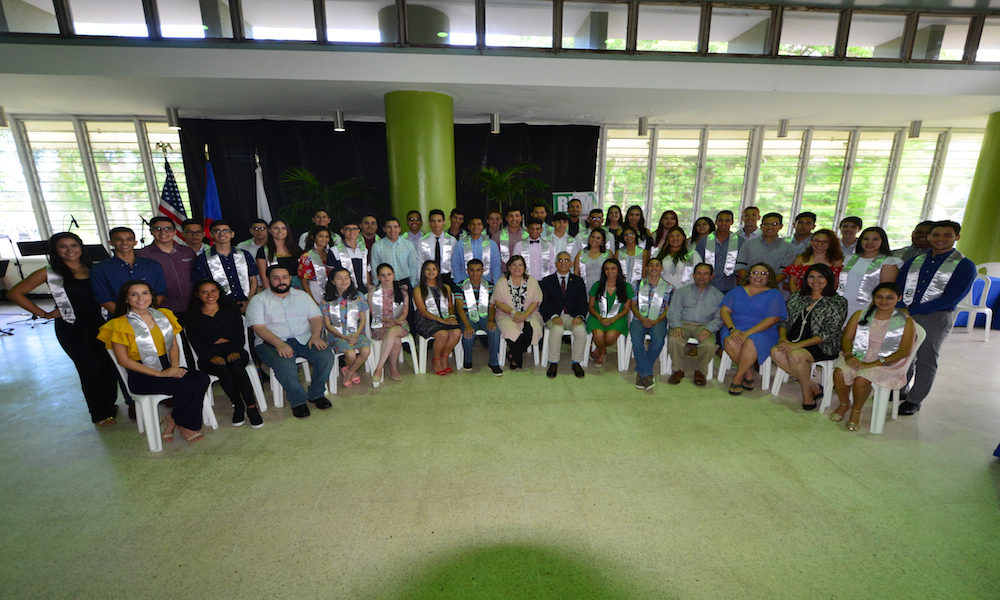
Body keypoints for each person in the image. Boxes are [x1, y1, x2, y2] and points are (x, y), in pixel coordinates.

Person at [7, 232, 119, 425]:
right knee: (89, 368)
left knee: (107, 365)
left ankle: (109, 403)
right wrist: (45, 314)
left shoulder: (94, 269)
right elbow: (15, 293)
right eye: (63, 247)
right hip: (72, 327)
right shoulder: (49, 272)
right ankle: (101, 413)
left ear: (81, 247)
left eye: (73, 245)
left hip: (100, 323)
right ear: (55, 251)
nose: (69, 250)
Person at [98, 280, 211, 442]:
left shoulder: (164, 315)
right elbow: (123, 360)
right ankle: (186, 425)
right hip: (143, 374)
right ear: (126, 299)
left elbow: (173, 344)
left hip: (167, 366)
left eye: (145, 293)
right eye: (133, 294)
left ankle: (173, 418)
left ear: (152, 296)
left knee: (201, 379)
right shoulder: (119, 324)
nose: (140, 298)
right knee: (187, 386)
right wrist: (159, 374)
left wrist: (173, 366)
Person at [895, 220, 976, 415]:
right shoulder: (915, 260)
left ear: (957, 237)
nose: (941, 239)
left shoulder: (964, 265)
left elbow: (951, 298)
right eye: (936, 235)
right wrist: (898, 307)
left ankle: (915, 400)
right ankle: (899, 388)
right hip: (905, 314)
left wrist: (911, 311)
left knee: (926, 358)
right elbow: (897, 286)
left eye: (947, 235)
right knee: (903, 354)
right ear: (929, 237)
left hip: (935, 316)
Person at [246, 266, 335, 418]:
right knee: (285, 363)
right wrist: (278, 343)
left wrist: (315, 335)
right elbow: (258, 327)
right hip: (271, 343)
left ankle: (316, 393)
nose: (281, 281)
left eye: (285, 277)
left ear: (290, 278)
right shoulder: (258, 300)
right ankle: (298, 400)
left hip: (304, 338)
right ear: (267, 280)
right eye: (276, 278)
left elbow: (315, 318)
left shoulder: (302, 296)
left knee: (325, 356)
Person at [831, 283, 917, 431]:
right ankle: (844, 403)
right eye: (879, 297)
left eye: (890, 297)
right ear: (873, 298)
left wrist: (874, 364)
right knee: (840, 372)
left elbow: (904, 352)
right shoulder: (861, 315)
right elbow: (846, 339)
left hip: (889, 360)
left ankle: (857, 410)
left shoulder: (906, 321)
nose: (884, 301)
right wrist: (849, 355)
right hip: (859, 353)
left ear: (899, 298)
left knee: (862, 377)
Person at [184, 279, 263, 428]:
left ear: (219, 292)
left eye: (213, 291)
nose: (210, 295)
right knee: (224, 371)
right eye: (204, 292)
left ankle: (252, 407)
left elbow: (240, 334)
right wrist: (210, 356)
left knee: (237, 367)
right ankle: (238, 405)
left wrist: (235, 350)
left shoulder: (231, 309)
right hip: (209, 355)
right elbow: (194, 341)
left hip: (234, 349)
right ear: (197, 294)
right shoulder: (192, 315)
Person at [770, 264, 848, 410]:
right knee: (775, 352)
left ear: (829, 279)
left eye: (821, 277)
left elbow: (829, 332)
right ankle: (812, 386)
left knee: (795, 355)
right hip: (794, 340)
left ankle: (807, 393)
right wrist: (782, 338)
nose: (815, 280)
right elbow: (784, 321)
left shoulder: (838, 302)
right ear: (806, 279)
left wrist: (796, 345)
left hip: (822, 344)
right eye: (811, 276)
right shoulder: (797, 297)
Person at [720, 263, 787, 396]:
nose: (758, 276)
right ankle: (748, 372)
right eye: (755, 273)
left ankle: (738, 377)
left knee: (751, 342)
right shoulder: (736, 291)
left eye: (763, 274)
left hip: (764, 331)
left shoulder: (774, 294)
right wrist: (732, 329)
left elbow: (773, 319)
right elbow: (725, 311)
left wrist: (747, 333)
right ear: (749, 275)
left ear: (769, 277)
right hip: (736, 327)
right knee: (731, 340)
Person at [666, 263, 724, 386]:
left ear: (711, 276)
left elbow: (720, 318)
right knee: (674, 339)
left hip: (704, 326)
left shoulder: (719, 296)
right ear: (693, 275)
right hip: (683, 323)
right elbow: (673, 312)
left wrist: (709, 329)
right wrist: (676, 326)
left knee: (709, 345)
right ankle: (678, 370)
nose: (702, 277)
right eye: (699, 273)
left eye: (706, 274)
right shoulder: (682, 292)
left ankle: (701, 372)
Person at [90, 226, 167, 314]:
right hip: (120, 319)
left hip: (151, 316)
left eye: (129, 239)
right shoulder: (99, 269)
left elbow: (161, 291)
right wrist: (126, 318)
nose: (124, 242)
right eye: (119, 239)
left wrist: (148, 313)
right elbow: (103, 298)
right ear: (111, 242)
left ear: (135, 242)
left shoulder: (153, 265)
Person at [539, 251, 588, 379]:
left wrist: (579, 316)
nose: (563, 263)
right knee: (557, 330)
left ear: (571, 264)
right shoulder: (547, 281)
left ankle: (576, 362)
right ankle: (553, 362)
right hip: (553, 316)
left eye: (566, 260)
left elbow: (583, 302)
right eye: (560, 260)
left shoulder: (578, 281)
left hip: (572, 316)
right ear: (555, 264)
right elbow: (544, 303)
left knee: (581, 331)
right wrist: (554, 316)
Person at [192, 220, 258, 312]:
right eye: (217, 231)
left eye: (226, 231)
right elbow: (202, 286)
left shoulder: (245, 255)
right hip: (218, 307)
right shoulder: (202, 259)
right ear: (211, 234)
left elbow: (253, 280)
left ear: (232, 234)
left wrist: (249, 301)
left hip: (246, 304)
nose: (222, 234)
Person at [322, 267, 372, 389]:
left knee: (366, 351)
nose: (343, 281)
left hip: (357, 332)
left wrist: (356, 335)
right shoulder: (327, 300)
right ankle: (352, 371)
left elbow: (363, 319)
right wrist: (344, 336)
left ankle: (348, 372)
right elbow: (327, 324)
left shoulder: (358, 296)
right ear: (333, 281)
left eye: (346, 277)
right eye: (339, 278)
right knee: (351, 354)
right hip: (337, 335)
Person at [136, 216, 196, 318]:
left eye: (168, 229)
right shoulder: (143, 255)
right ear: (151, 231)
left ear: (175, 232)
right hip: (163, 308)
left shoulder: (187, 251)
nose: (163, 233)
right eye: (158, 229)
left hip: (193, 306)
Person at [837, 226, 902, 320]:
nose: (870, 243)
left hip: (866, 307)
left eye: (875, 239)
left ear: (882, 241)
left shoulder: (888, 262)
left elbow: (884, 291)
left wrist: (869, 312)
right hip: (841, 304)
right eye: (866, 239)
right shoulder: (850, 258)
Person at [413, 260, 462, 375]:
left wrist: (451, 316)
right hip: (425, 319)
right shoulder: (418, 289)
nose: (431, 272)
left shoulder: (446, 288)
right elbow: (423, 310)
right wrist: (441, 320)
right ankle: (436, 360)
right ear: (423, 271)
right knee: (442, 334)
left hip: (443, 316)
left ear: (438, 271)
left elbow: (450, 305)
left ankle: (444, 357)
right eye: (428, 269)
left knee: (457, 332)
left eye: (434, 269)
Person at [629, 257, 672, 390]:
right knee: (636, 339)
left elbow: (668, 309)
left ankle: (641, 371)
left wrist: (656, 321)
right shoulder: (637, 284)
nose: (654, 268)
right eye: (651, 265)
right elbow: (633, 305)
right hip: (639, 319)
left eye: (657, 265)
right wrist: (642, 319)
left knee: (659, 340)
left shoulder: (669, 287)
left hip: (658, 320)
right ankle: (647, 373)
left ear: (661, 269)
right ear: (646, 268)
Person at [493, 255, 543, 369]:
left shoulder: (532, 282)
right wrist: (515, 313)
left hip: (530, 313)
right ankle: (517, 358)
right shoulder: (501, 282)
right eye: (514, 265)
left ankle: (513, 354)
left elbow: (536, 301)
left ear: (524, 268)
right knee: (511, 330)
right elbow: (499, 303)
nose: (517, 267)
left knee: (533, 328)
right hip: (506, 314)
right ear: (509, 267)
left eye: (520, 265)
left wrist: (524, 315)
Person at [454, 259, 503, 375]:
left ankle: (493, 362)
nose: (475, 273)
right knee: (468, 336)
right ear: (467, 271)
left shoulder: (490, 286)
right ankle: (467, 359)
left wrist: (491, 320)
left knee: (495, 332)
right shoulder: (460, 286)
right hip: (467, 316)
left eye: (478, 270)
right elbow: (459, 307)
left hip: (484, 315)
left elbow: (492, 307)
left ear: (483, 271)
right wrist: (466, 325)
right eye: (472, 270)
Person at [586, 258, 634, 369]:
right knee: (598, 334)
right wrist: (600, 318)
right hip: (597, 317)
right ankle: (602, 352)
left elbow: (626, 309)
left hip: (617, 319)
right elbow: (591, 307)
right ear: (603, 271)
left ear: (618, 270)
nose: (610, 271)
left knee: (610, 336)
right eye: (607, 269)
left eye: (613, 268)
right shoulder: (597, 285)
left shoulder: (626, 287)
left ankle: (599, 349)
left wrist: (612, 319)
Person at [368, 263, 411, 385]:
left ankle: (379, 368)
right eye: (383, 275)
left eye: (389, 274)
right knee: (396, 341)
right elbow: (375, 314)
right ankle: (393, 368)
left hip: (400, 324)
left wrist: (395, 322)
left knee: (393, 331)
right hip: (380, 325)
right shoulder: (374, 293)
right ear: (378, 277)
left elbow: (405, 312)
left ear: (394, 275)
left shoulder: (402, 291)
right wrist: (387, 322)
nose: (386, 278)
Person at [735, 212, 796, 285]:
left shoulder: (787, 248)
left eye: (774, 224)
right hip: (748, 288)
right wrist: (752, 283)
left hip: (772, 289)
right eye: (767, 224)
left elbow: (784, 272)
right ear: (761, 226)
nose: (770, 227)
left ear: (781, 226)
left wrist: (767, 285)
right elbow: (740, 267)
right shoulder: (748, 244)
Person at [783, 229, 844, 294]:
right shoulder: (801, 259)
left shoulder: (836, 261)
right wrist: (796, 298)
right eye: (816, 241)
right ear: (811, 242)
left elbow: (837, 284)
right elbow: (792, 281)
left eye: (825, 242)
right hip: (802, 296)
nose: (820, 244)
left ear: (830, 244)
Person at [695, 210, 742, 293]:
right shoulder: (704, 241)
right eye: (721, 220)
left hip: (730, 286)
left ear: (732, 222)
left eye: (727, 221)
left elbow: (741, 265)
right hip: (707, 285)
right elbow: (697, 263)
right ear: (716, 222)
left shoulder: (740, 242)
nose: (723, 224)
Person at [370, 217, 421, 289]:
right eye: (389, 227)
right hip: (385, 284)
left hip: (405, 283)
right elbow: (374, 267)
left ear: (400, 229)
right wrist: (377, 284)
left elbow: (413, 266)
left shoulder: (408, 245)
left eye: (395, 227)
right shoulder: (377, 246)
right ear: (384, 229)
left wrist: (412, 284)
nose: (392, 230)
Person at [452, 215, 502, 284]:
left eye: (479, 224)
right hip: (465, 283)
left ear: (483, 227)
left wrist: (496, 283)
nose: (476, 227)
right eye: (473, 224)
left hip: (487, 283)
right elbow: (456, 265)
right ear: (468, 227)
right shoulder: (460, 244)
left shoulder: (492, 244)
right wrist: (459, 283)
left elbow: (496, 266)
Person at [255, 219, 303, 291]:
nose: (280, 231)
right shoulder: (263, 251)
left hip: (297, 286)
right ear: (270, 230)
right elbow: (263, 276)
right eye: (276, 228)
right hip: (274, 287)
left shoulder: (296, 249)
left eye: (283, 228)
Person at [418, 209, 459, 288]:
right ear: (429, 223)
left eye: (439, 221)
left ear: (444, 222)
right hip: (429, 277)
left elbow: (455, 261)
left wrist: (454, 278)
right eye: (433, 221)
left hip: (447, 277)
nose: (436, 224)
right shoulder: (422, 241)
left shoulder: (452, 240)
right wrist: (420, 279)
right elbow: (420, 261)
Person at [655, 226, 703, 290]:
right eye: (671, 236)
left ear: (683, 237)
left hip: (686, 292)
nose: (675, 238)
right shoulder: (658, 254)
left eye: (678, 236)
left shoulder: (693, 255)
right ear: (667, 239)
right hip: (662, 292)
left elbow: (699, 274)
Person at [298, 225, 337, 304]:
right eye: (321, 236)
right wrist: (312, 300)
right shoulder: (307, 256)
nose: (324, 239)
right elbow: (304, 281)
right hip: (315, 288)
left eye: (327, 236)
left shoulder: (331, 253)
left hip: (331, 287)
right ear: (313, 237)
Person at [335, 219, 370, 294]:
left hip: (363, 291)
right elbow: (331, 272)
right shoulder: (335, 250)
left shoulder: (364, 250)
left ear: (358, 231)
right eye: (348, 229)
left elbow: (366, 271)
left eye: (354, 229)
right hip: (343, 291)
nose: (352, 232)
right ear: (342, 231)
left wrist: (368, 288)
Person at [574, 227, 611, 297]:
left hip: (603, 287)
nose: (594, 240)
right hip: (584, 287)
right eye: (593, 237)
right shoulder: (581, 254)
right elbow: (576, 273)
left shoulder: (608, 254)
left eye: (598, 238)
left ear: (602, 241)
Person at [237, 218, 270, 288]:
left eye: (262, 228)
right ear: (250, 231)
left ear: (268, 230)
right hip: (251, 285)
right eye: (256, 229)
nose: (260, 231)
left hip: (272, 284)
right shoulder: (242, 246)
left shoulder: (275, 245)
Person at [497, 206, 527, 271]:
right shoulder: (497, 236)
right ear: (506, 218)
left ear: (521, 218)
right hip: (504, 274)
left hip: (524, 273)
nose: (514, 219)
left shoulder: (528, 235)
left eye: (517, 216)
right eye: (511, 216)